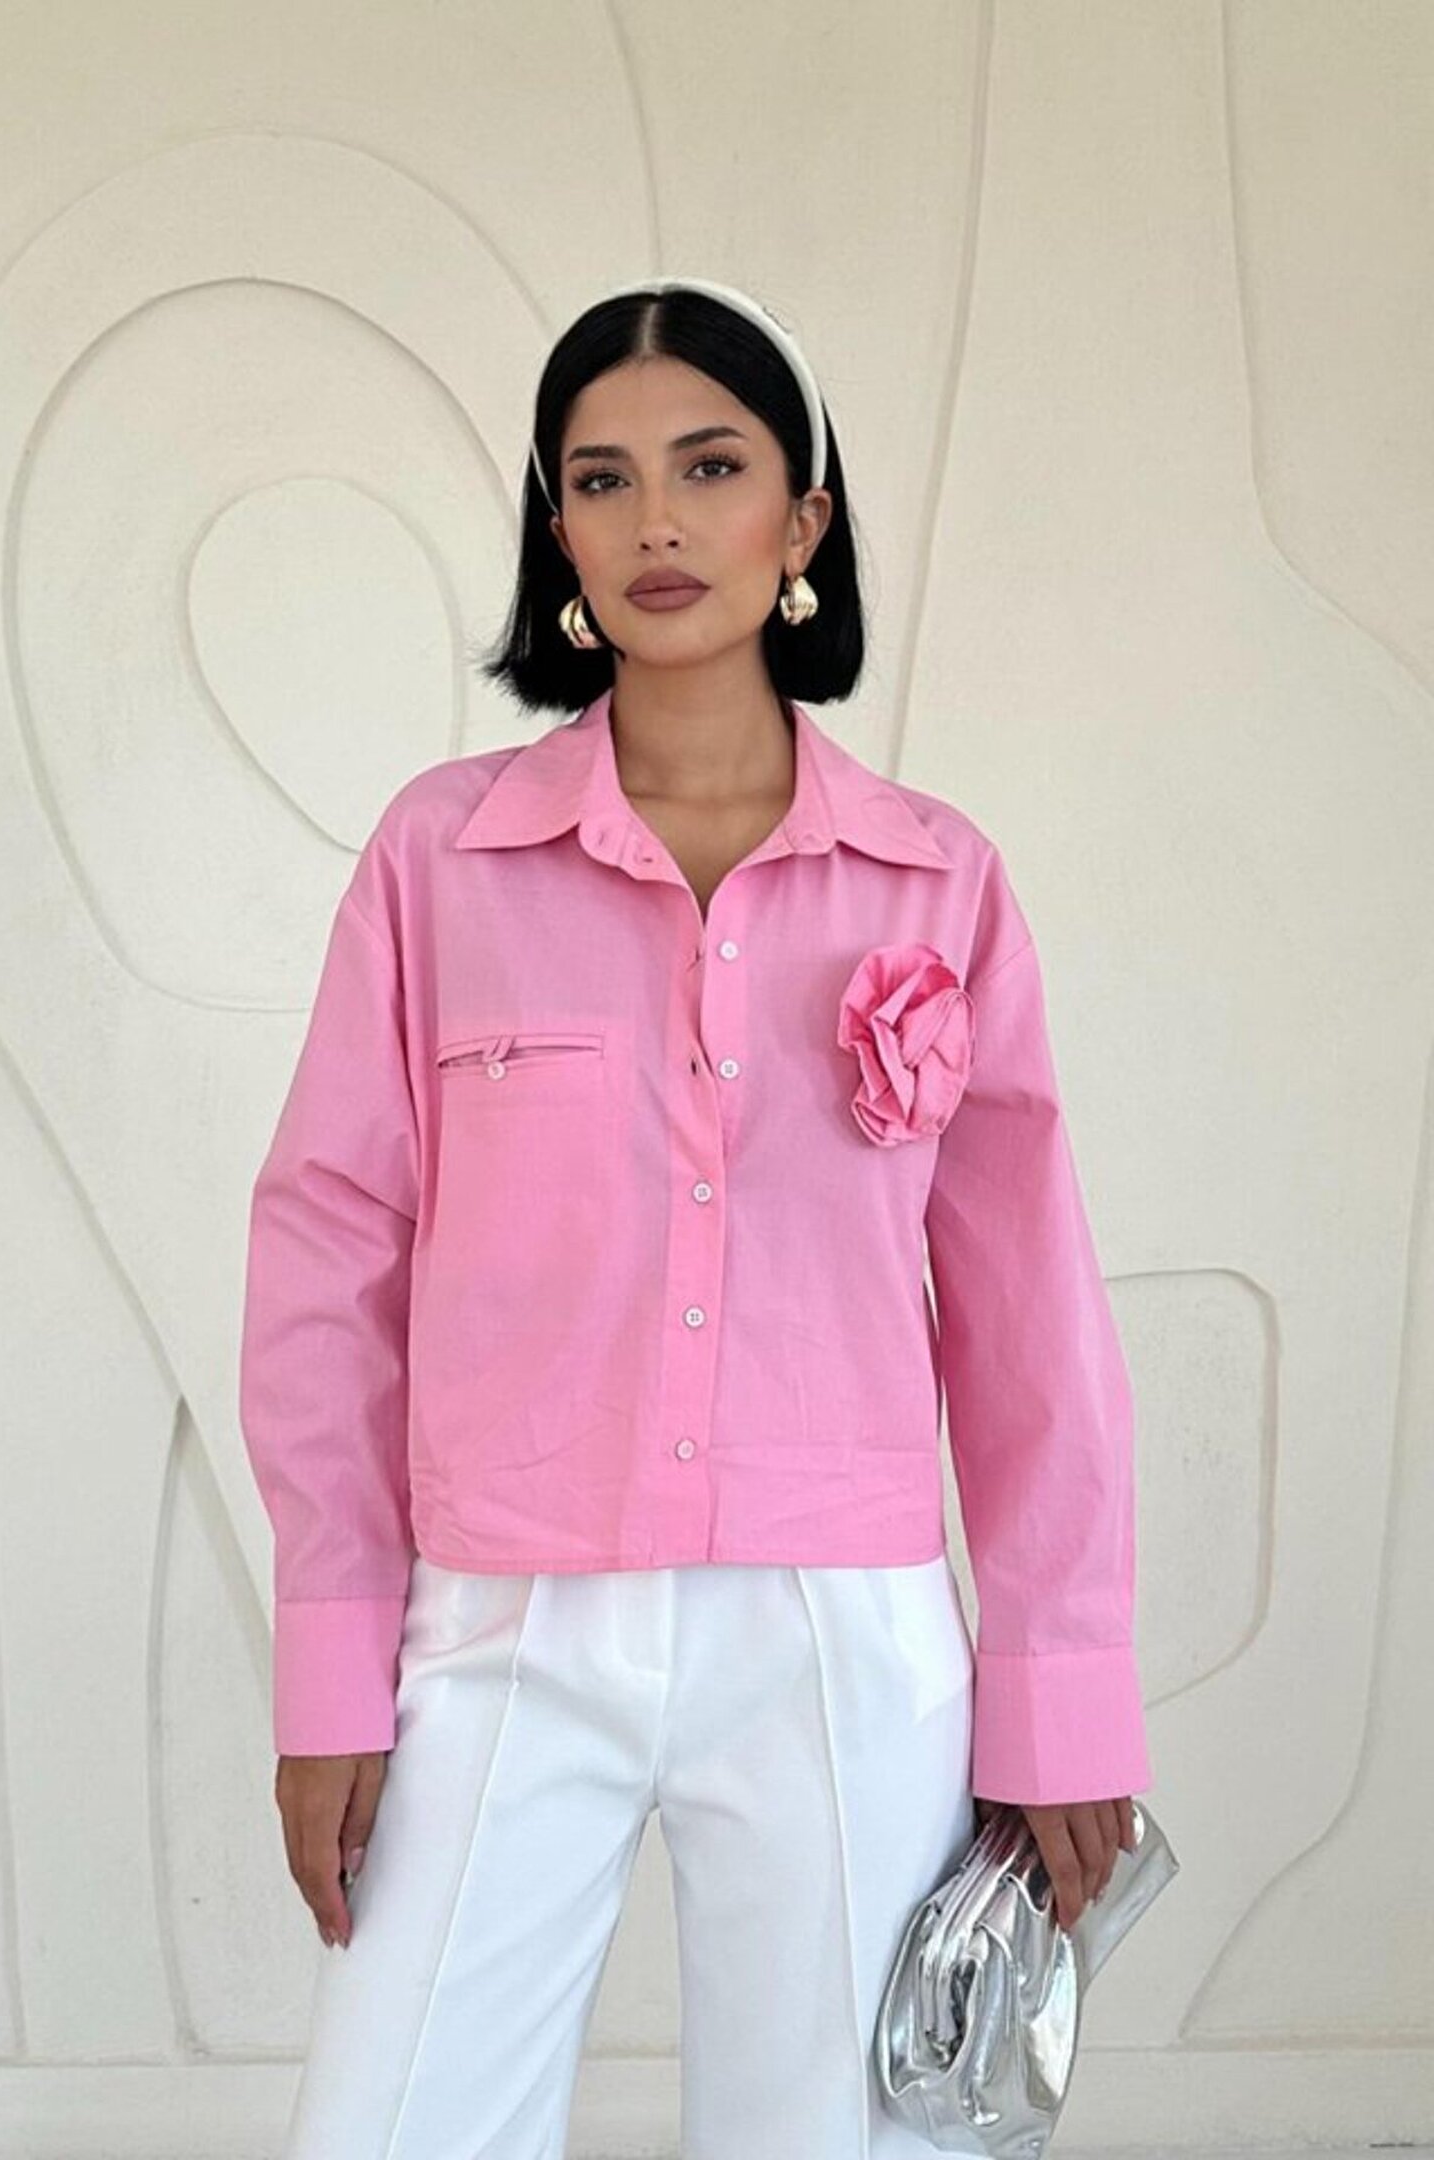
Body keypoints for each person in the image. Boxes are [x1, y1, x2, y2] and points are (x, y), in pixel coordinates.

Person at [239, 276, 1153, 2160]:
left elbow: (1030, 1318)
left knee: (849, 2139)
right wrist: (333, 1661)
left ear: (801, 521)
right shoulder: (441, 859)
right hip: (501, 1617)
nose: (656, 519)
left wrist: (1059, 1699)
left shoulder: (939, 883)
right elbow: (332, 1257)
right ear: (559, 533)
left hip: (842, 1631)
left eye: (710, 467)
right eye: (603, 478)